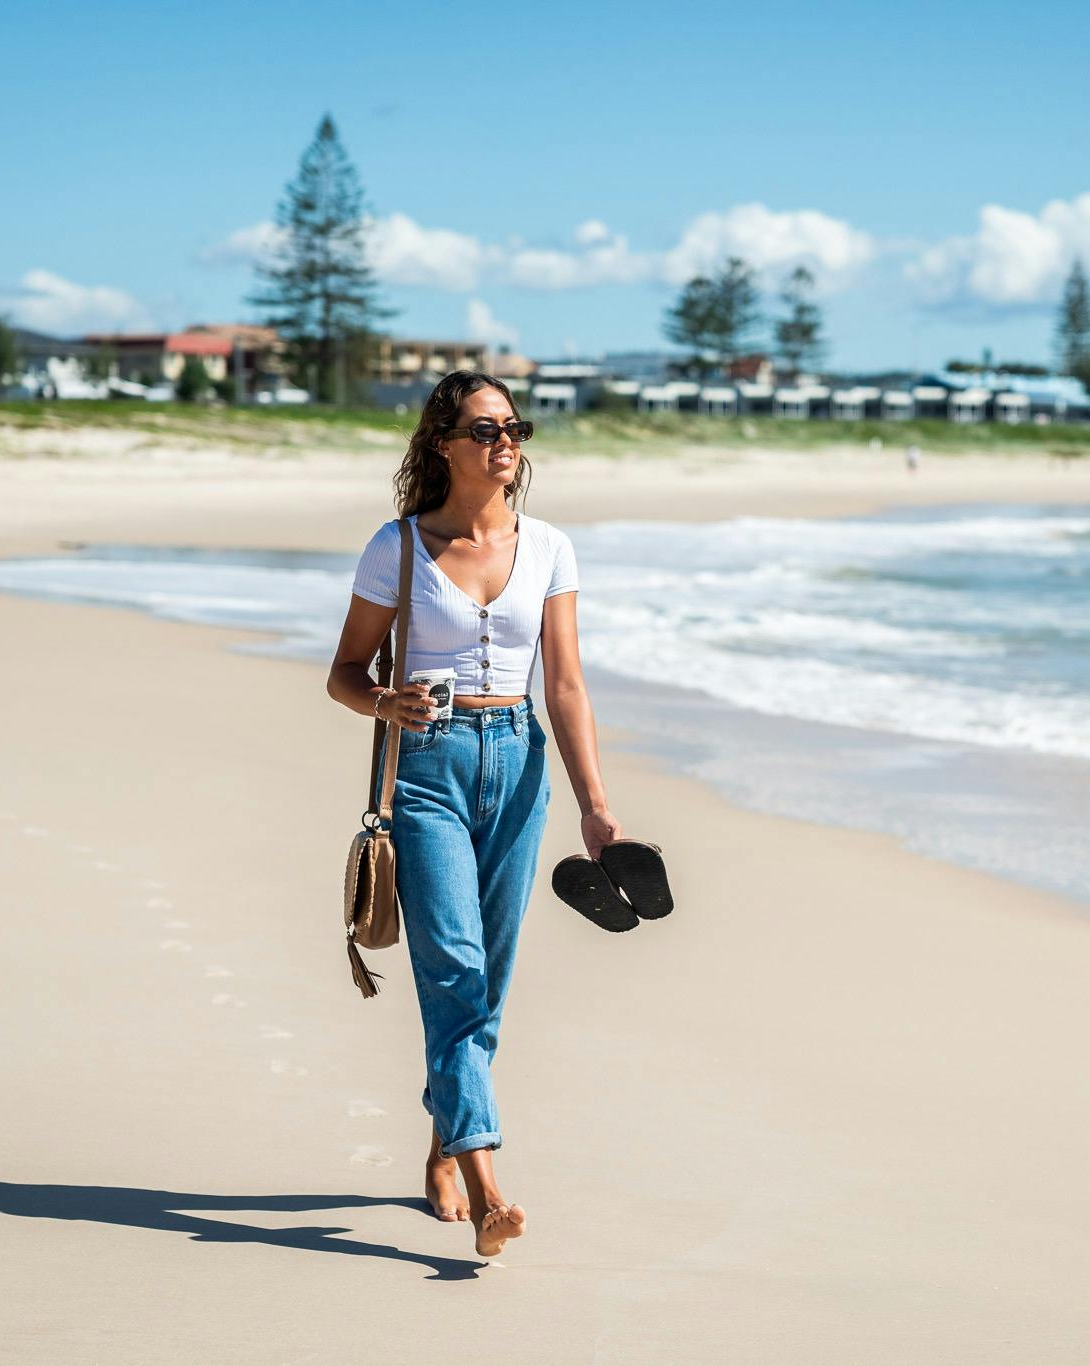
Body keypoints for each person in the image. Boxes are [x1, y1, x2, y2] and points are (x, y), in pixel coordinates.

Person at [326, 370, 622, 1258]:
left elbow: (565, 687)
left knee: (488, 978)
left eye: (515, 428)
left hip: (519, 764)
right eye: (486, 429)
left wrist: (595, 806)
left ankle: (445, 1143)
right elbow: (344, 673)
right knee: (454, 968)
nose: (505, 443)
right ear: (443, 443)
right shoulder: (398, 548)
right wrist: (385, 704)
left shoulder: (550, 548)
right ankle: (490, 1187)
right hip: (428, 769)